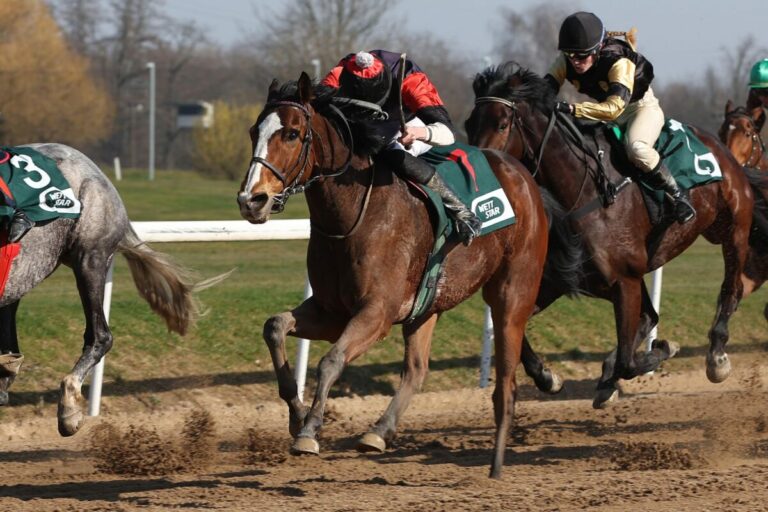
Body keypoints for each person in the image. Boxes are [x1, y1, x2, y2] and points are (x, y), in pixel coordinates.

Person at [544, 12, 695, 224]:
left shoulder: (618, 61)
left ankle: (678, 195)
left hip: (640, 110)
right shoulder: (567, 60)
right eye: (570, 55)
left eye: (581, 56)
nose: (575, 61)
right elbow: (543, 90)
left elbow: (613, 109)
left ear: (598, 49)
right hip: (609, 116)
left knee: (636, 148)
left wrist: (571, 108)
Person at [322, 50, 482, 245]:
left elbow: (448, 133)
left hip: (408, 123)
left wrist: (418, 133)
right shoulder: (341, 72)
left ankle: (462, 212)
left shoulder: (411, 80)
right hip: (365, 123)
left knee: (392, 153)